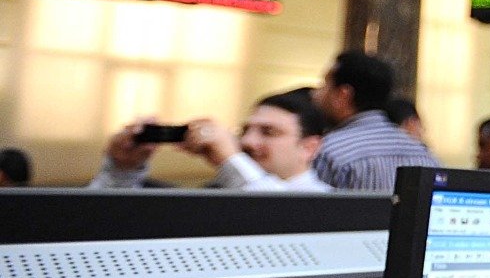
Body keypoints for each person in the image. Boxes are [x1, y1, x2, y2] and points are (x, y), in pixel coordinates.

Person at [91, 89, 331, 191]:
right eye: (245, 130)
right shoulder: (219, 192)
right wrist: (122, 169)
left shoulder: (326, 204)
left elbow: (278, 214)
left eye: (268, 132)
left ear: (309, 148)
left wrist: (229, 158)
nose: (247, 141)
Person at [312, 51, 440, 191]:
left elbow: (313, 204)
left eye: (325, 85)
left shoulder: (329, 152)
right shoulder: (426, 156)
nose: (315, 94)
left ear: (343, 95)